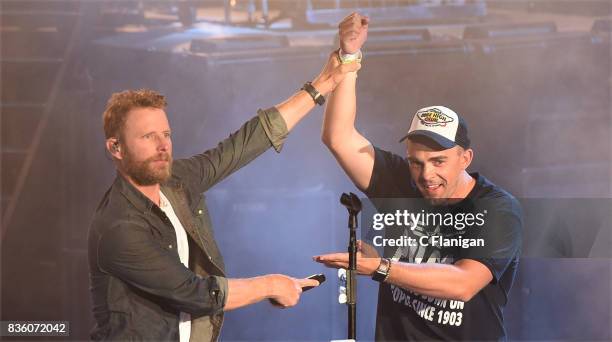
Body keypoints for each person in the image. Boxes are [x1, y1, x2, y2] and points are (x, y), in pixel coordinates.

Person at [88, 52, 360, 341]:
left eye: (165, 134)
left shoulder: (175, 180)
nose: (162, 146)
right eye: (147, 137)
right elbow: (195, 293)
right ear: (115, 148)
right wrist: (271, 285)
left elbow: (239, 148)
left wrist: (323, 83)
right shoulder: (120, 227)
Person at [314, 13, 522, 341]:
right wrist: (349, 57)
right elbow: (338, 137)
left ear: (465, 158)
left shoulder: (497, 209)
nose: (427, 175)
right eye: (416, 162)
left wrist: (381, 268)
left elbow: (463, 284)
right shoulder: (401, 183)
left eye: (439, 161)